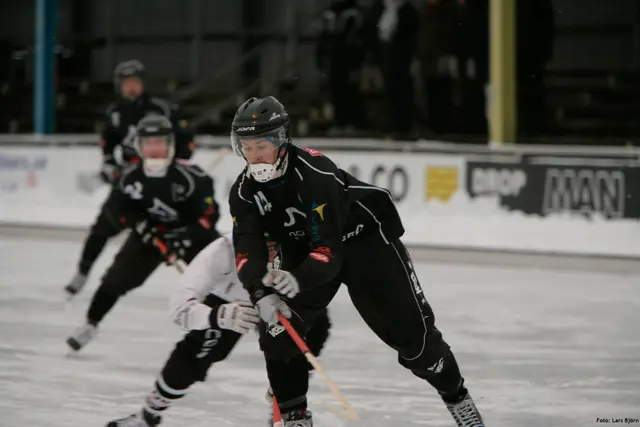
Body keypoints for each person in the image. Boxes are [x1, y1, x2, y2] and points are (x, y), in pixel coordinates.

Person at [228, 96, 485, 426]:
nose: (253, 156)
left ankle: (459, 401)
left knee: (417, 345)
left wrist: (297, 280)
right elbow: (246, 249)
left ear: (281, 141)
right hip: (305, 250)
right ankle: (294, 417)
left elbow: (328, 254)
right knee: (278, 328)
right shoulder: (243, 192)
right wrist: (260, 293)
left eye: (260, 146)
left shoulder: (317, 176)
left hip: (363, 244)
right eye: (245, 147)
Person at [105, 235, 332, 427]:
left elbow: (319, 313)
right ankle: (148, 415)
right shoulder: (220, 253)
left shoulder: (299, 247)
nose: (271, 257)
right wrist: (217, 316)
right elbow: (179, 308)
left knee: (304, 340)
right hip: (231, 300)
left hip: (279, 299)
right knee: (198, 353)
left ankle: (287, 411)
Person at [66, 114, 218, 353]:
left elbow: (209, 217)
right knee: (114, 280)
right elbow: (117, 209)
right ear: (139, 146)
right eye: (148, 143)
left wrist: (184, 238)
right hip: (150, 237)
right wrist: (139, 225)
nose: (154, 148)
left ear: (170, 144)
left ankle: (254, 315)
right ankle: (90, 324)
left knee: (223, 273)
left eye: (159, 142)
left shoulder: (193, 178)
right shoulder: (129, 177)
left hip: (190, 235)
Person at [63, 59, 195, 297]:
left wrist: (174, 165)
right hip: (129, 182)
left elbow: (185, 141)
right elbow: (108, 141)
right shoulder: (115, 112)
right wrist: (110, 162)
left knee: (177, 231)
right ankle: (82, 273)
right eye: (126, 83)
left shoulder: (161, 109)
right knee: (102, 228)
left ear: (143, 83)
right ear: (119, 86)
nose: (131, 87)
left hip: (157, 180)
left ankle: (204, 279)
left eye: (135, 82)